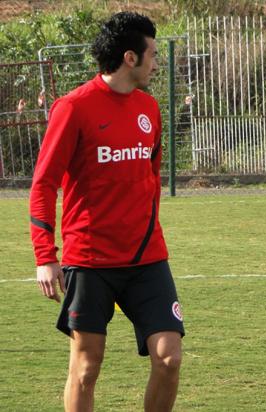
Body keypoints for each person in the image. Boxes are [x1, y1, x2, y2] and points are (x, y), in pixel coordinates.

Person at [30, 12, 184, 412]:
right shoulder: (74, 108)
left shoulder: (149, 108)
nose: (157, 62)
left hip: (147, 257)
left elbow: (150, 178)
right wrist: (46, 257)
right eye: (152, 53)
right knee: (86, 367)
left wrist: (146, 229)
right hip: (91, 260)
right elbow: (44, 184)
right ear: (130, 58)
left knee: (169, 356)